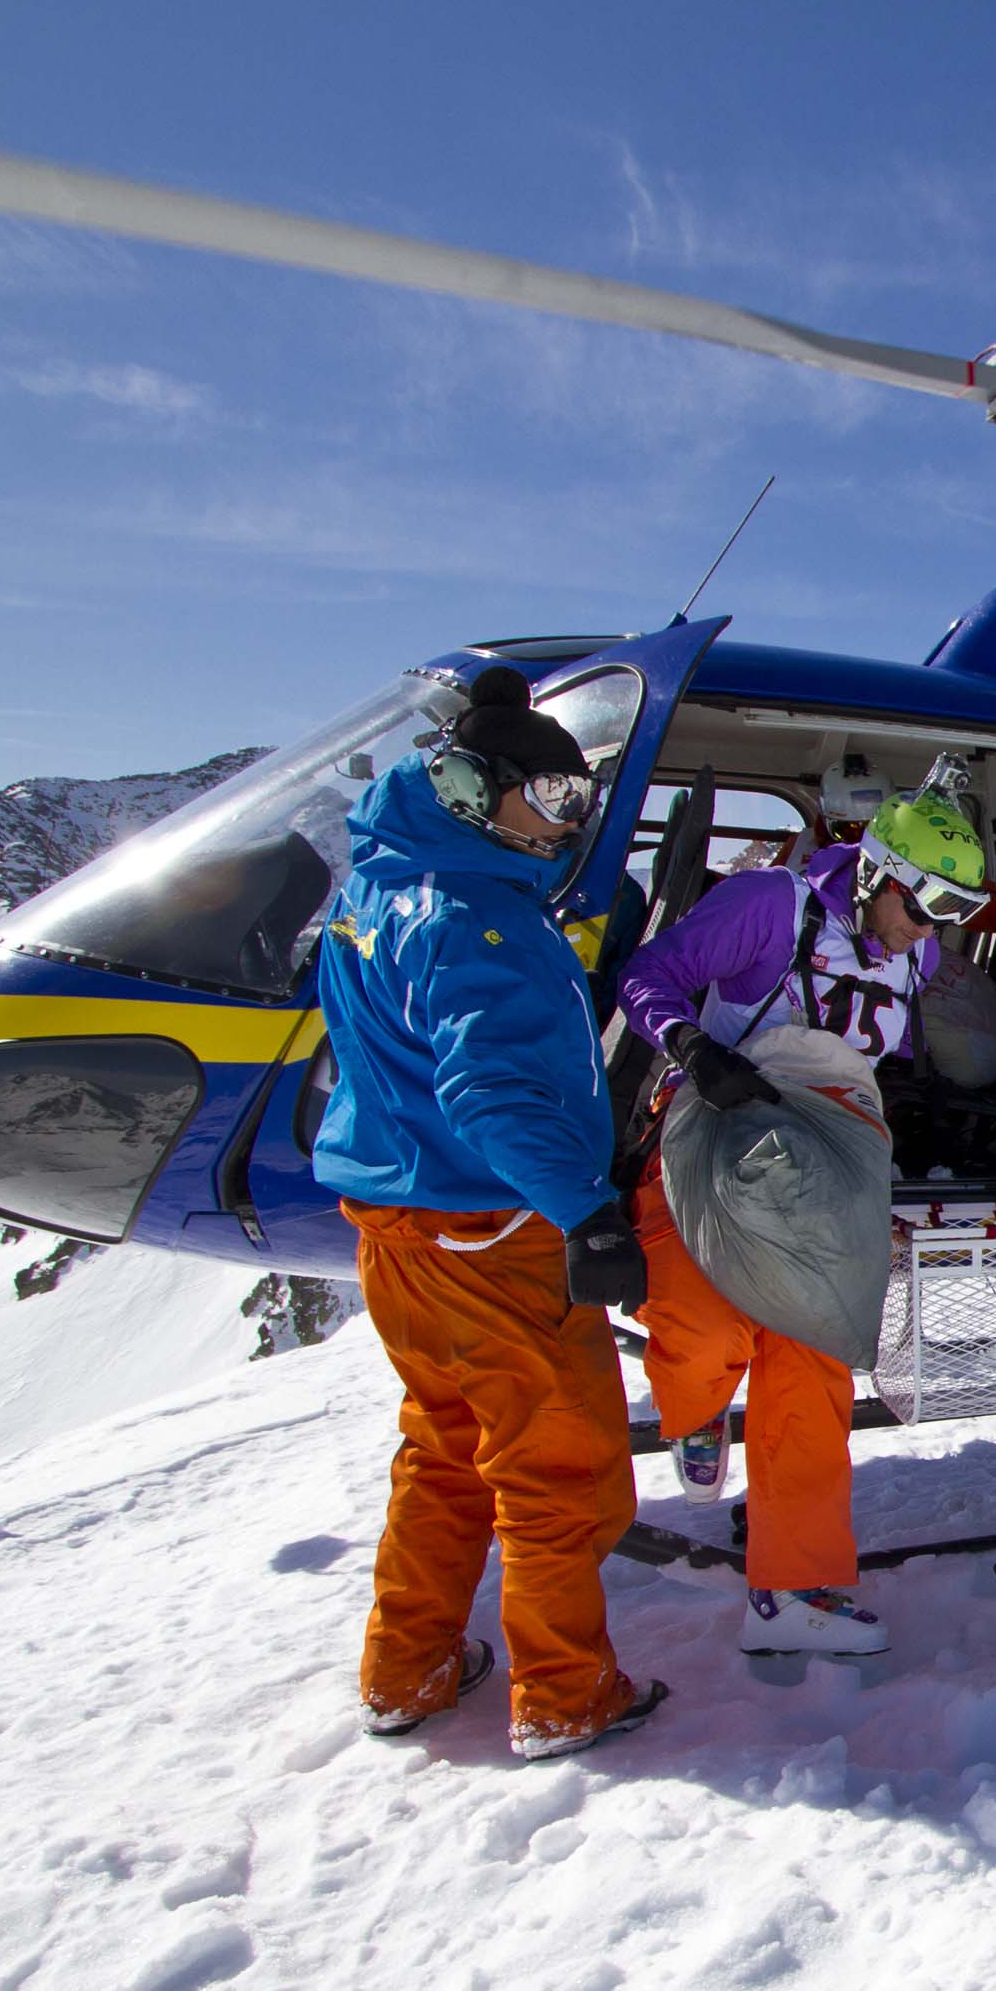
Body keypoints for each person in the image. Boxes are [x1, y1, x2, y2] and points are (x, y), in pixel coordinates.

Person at [312, 665, 668, 1760]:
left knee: (447, 1442)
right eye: (553, 801)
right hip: (486, 1227)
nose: (567, 825)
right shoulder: (477, 918)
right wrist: (588, 1211)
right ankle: (564, 1691)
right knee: (558, 1463)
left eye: (579, 803)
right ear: (474, 786)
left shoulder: (381, 882)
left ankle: (406, 1665)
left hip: (393, 1220)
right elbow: (495, 1092)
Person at [616, 790, 993, 1656]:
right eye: (924, 904)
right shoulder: (769, 908)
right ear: (877, 875)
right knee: (706, 1323)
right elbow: (647, 976)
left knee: (812, 1357)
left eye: (953, 913)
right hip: (719, 1125)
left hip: (823, 1153)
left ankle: (791, 1588)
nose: (925, 930)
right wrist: (693, 1048)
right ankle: (697, 1409)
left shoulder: (916, 951)